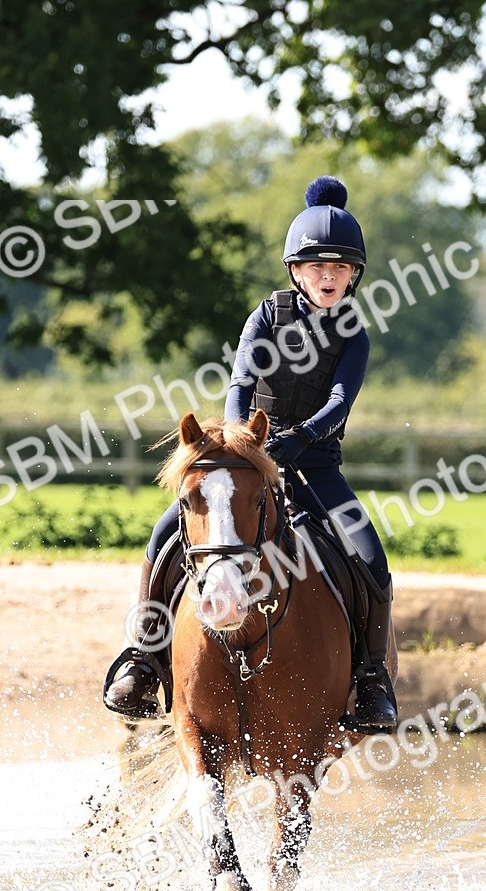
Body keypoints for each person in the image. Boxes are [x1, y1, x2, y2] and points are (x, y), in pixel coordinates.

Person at [103, 175, 397, 731]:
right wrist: (243, 440)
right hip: (247, 458)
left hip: (315, 465)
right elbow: (241, 383)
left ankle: (370, 678)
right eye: (317, 265)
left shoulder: (354, 334)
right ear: (296, 271)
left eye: (340, 267)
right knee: (164, 537)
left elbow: (339, 402)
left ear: (353, 275)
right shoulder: (266, 317)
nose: (329, 276)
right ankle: (142, 659)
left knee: (371, 560)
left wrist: (300, 439)